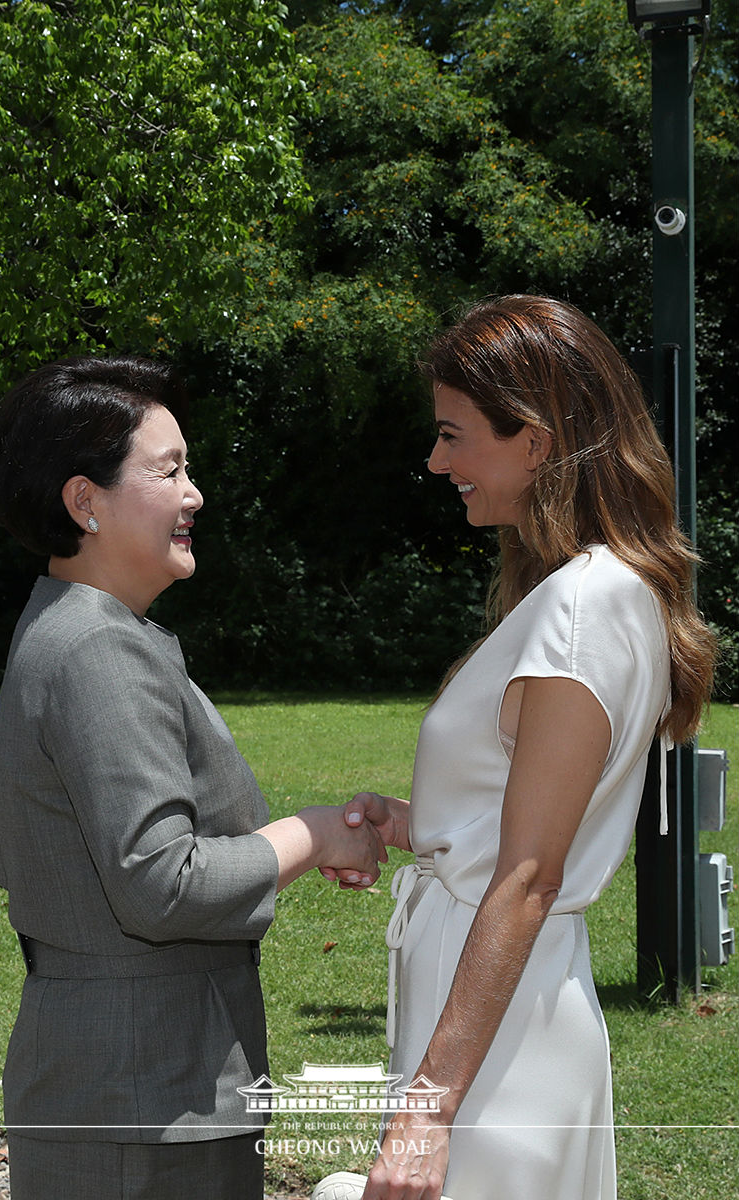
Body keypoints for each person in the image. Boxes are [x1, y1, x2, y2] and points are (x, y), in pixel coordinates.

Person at [329, 295, 716, 1199]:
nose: (437, 461)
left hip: (501, 1033)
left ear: (535, 440)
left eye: (454, 434)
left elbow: (531, 878)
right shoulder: (585, 595)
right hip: (496, 1005)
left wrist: (426, 1115)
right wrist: (416, 825)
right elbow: (524, 831)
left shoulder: (585, 606)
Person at [0, 354, 386, 1200]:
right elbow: (161, 883)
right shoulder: (99, 648)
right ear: (84, 501)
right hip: (146, 1099)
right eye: (168, 471)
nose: (194, 493)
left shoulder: (75, 627)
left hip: (122, 1084)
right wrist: (310, 834)